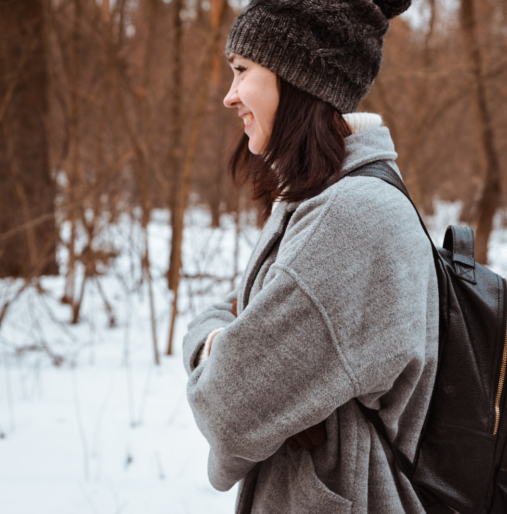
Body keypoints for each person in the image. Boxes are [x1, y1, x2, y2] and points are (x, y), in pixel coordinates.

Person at [182, 0, 438, 512]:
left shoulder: (352, 215)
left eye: (242, 70)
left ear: (299, 77)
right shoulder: (328, 196)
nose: (230, 96)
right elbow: (237, 316)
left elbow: (229, 409)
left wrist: (214, 344)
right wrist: (226, 340)